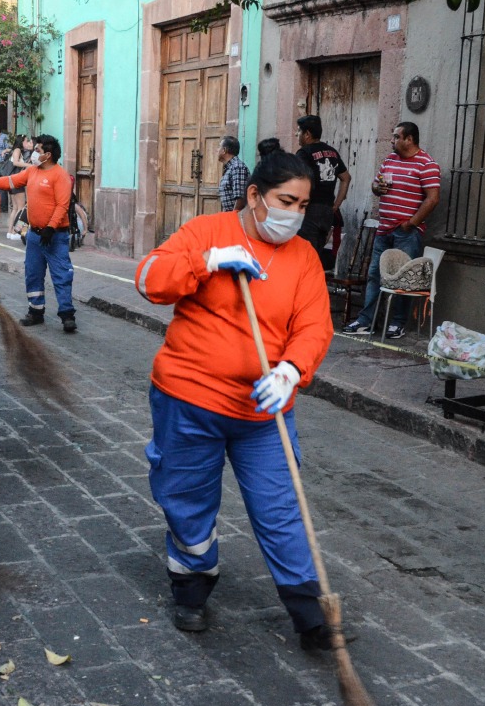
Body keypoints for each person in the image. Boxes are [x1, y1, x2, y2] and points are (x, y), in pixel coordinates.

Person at [134, 152, 335, 647]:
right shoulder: (207, 231)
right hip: (189, 400)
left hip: (264, 412)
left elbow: (314, 325)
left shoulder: (304, 257)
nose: (295, 213)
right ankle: (191, 588)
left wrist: (291, 369)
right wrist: (206, 262)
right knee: (188, 497)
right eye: (286, 201)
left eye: (303, 205)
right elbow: (148, 279)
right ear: (254, 195)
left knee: (281, 506)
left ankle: (309, 611)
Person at [342, 121, 441, 339]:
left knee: (403, 279)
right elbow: (376, 185)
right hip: (384, 229)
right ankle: (366, 321)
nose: (393, 141)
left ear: (409, 139)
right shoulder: (390, 159)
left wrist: (412, 222)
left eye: (397, 137)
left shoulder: (427, 164)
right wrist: (377, 188)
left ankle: (398, 323)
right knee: (375, 275)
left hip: (406, 232)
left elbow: (432, 199)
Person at [0, 134, 77, 332]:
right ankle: (36, 311)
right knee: (33, 273)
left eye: (37, 151)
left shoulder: (60, 175)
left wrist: (50, 227)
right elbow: (11, 181)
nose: (34, 154)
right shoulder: (32, 172)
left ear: (48, 155)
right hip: (35, 236)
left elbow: (62, 205)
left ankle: (67, 315)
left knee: (62, 275)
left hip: (55, 236)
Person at [294, 115, 350, 259]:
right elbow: (346, 178)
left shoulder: (304, 153)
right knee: (316, 255)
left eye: (299, 131)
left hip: (309, 211)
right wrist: (336, 205)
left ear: (307, 134)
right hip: (327, 213)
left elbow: (300, 181)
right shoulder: (332, 152)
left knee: (304, 256)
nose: (296, 134)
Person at [4, 134, 34, 240]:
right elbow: (16, 162)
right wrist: (30, 166)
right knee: (21, 208)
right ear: (21, 141)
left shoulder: (18, 151)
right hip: (16, 182)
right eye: (26, 141)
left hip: (13, 181)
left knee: (15, 208)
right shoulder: (17, 150)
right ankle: (18, 231)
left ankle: (10, 231)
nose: (27, 143)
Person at [217, 136, 249, 212]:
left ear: (224, 150)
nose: (217, 150)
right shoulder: (230, 167)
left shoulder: (237, 167)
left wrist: (232, 218)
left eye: (219, 147)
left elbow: (240, 198)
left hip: (236, 218)